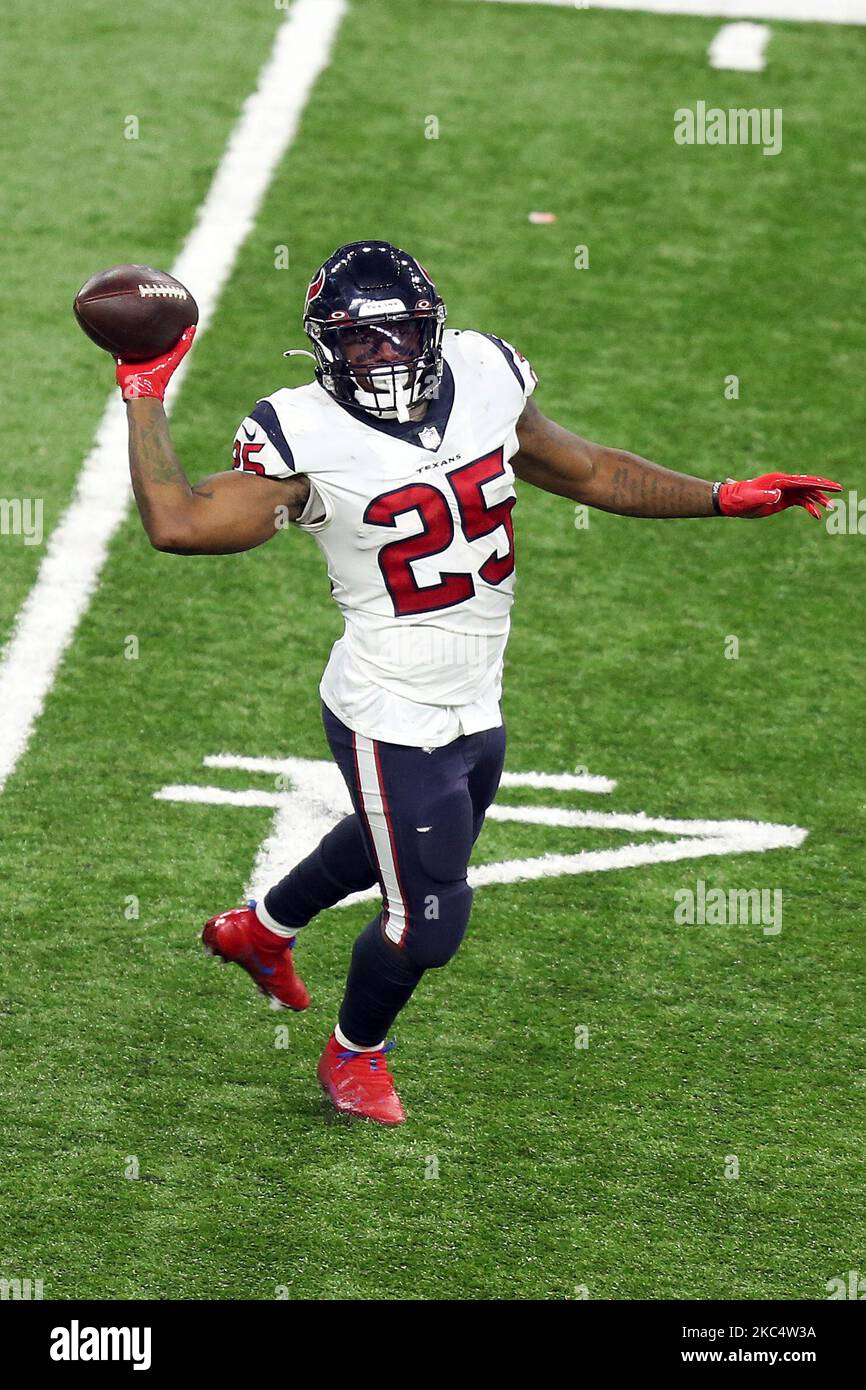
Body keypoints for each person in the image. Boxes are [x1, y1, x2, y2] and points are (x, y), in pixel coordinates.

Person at [117, 240, 839, 1124]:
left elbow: (589, 470)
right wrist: (144, 390)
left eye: (401, 335)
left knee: (405, 840)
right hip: (387, 702)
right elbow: (180, 524)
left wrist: (723, 496)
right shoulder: (299, 431)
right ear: (323, 347)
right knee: (430, 918)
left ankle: (259, 930)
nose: (383, 357)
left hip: (475, 691)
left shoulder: (486, 372)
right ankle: (355, 1055)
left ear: (434, 329)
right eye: (358, 342)